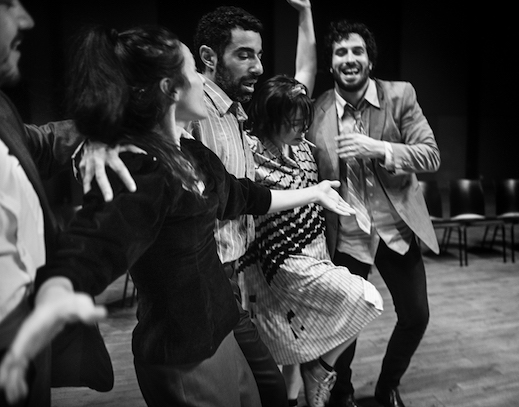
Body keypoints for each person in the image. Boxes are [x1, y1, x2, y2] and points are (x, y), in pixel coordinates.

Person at [0, 23, 355, 407]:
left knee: (271, 394)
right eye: (193, 71)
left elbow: (244, 196)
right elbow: (94, 248)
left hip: (222, 326)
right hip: (184, 354)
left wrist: (314, 193)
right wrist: (54, 294)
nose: (202, 80)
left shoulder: (194, 154)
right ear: (170, 88)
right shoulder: (141, 169)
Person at [307, 20, 441, 407]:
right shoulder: (316, 111)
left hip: (394, 229)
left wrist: (380, 148)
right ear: (330, 63)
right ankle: (342, 393)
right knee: (344, 323)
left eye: (357, 51)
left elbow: (430, 155)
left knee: (416, 316)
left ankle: (387, 386)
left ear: (370, 59)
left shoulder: (400, 95)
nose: (349, 59)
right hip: (346, 234)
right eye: (341, 52)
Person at [188, 2, 315, 405]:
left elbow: (303, 78)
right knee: (248, 389)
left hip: (235, 271)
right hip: (204, 276)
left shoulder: (234, 112)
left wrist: (305, 15)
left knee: (258, 388)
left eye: (259, 55)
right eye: (244, 55)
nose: (258, 67)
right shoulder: (192, 108)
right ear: (208, 57)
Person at [0, 2, 125, 406]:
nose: (26, 19)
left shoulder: (1, 107)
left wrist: (97, 132)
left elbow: (39, 142)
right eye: (7, 4)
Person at [238, 75, 383, 407]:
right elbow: (248, 200)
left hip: (316, 250)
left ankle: (315, 372)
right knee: (365, 299)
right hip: (279, 262)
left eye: (304, 122)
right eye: (293, 123)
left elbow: (303, 73)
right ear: (271, 118)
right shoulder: (250, 150)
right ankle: (316, 372)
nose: (301, 129)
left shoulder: (304, 146)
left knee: (296, 346)